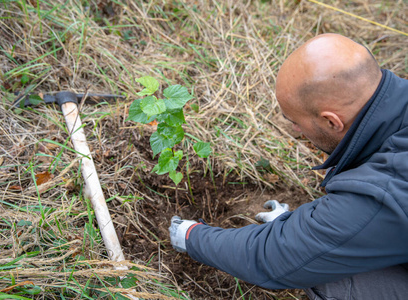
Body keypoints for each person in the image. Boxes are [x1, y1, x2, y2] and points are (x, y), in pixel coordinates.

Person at [168, 33, 408, 299]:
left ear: (332, 121)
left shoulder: (384, 191)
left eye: (295, 121)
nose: (294, 129)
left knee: (333, 278)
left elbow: (278, 256)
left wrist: (191, 236)